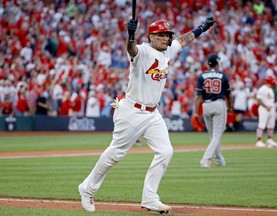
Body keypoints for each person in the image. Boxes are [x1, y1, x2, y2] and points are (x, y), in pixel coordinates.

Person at [78, 16, 216, 213]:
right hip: (131, 111)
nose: (165, 38)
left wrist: (201, 28)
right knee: (115, 154)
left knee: (166, 151)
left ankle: (150, 198)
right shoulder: (142, 51)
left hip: (152, 113)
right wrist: (131, 35)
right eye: (161, 35)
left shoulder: (168, 50)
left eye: (167, 35)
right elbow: (131, 49)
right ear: (151, 36)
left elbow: (183, 40)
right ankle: (87, 188)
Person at [192, 54, 233, 168]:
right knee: (216, 135)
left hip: (206, 105)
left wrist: (195, 111)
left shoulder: (202, 76)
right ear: (217, 63)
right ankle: (205, 160)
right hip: (219, 104)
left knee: (213, 135)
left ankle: (220, 160)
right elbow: (228, 95)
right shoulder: (223, 75)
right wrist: (230, 107)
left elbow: (198, 96)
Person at [255, 76, 277, 148]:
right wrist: (266, 106)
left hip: (271, 108)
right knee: (262, 125)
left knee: (271, 125)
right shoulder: (262, 89)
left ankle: (269, 139)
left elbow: (273, 99)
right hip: (264, 109)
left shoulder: (271, 89)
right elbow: (258, 100)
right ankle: (259, 141)